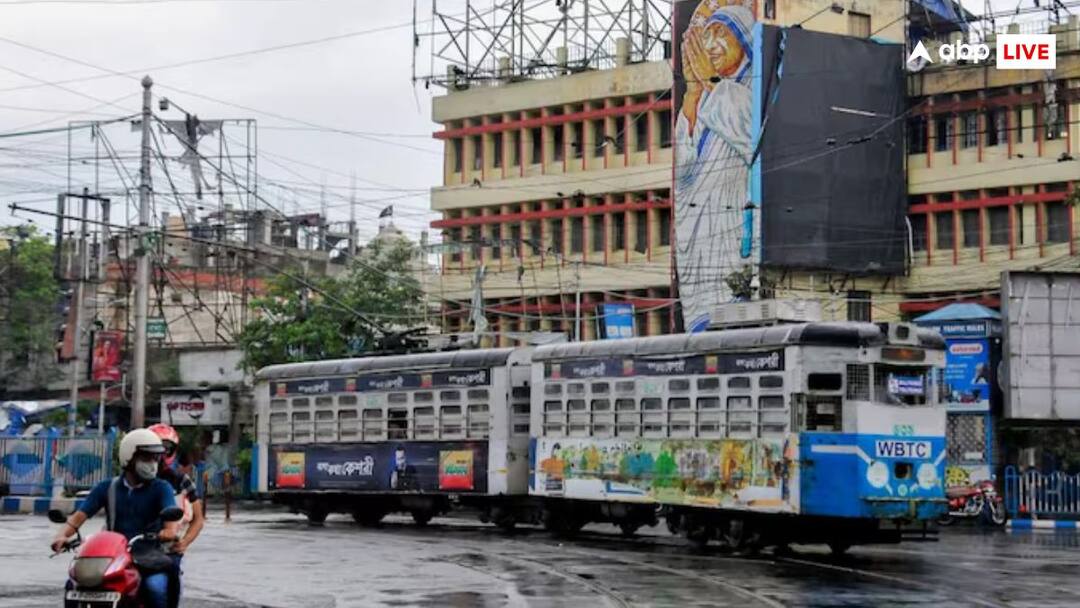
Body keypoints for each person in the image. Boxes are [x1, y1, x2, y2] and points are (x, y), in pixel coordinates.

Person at [50, 428, 178, 608]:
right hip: (113, 556)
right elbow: (78, 517)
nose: (152, 463)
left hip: (148, 556)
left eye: (156, 458)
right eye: (146, 457)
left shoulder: (161, 488)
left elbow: (171, 522)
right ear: (129, 457)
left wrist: (168, 532)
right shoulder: (107, 487)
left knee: (155, 588)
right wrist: (61, 536)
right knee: (73, 585)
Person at [148, 423, 205, 605]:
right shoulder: (130, 479)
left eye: (166, 448)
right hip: (133, 543)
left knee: (162, 586)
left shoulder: (179, 481)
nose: (161, 454)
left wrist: (184, 542)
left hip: (166, 548)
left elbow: (198, 519)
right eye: (155, 447)